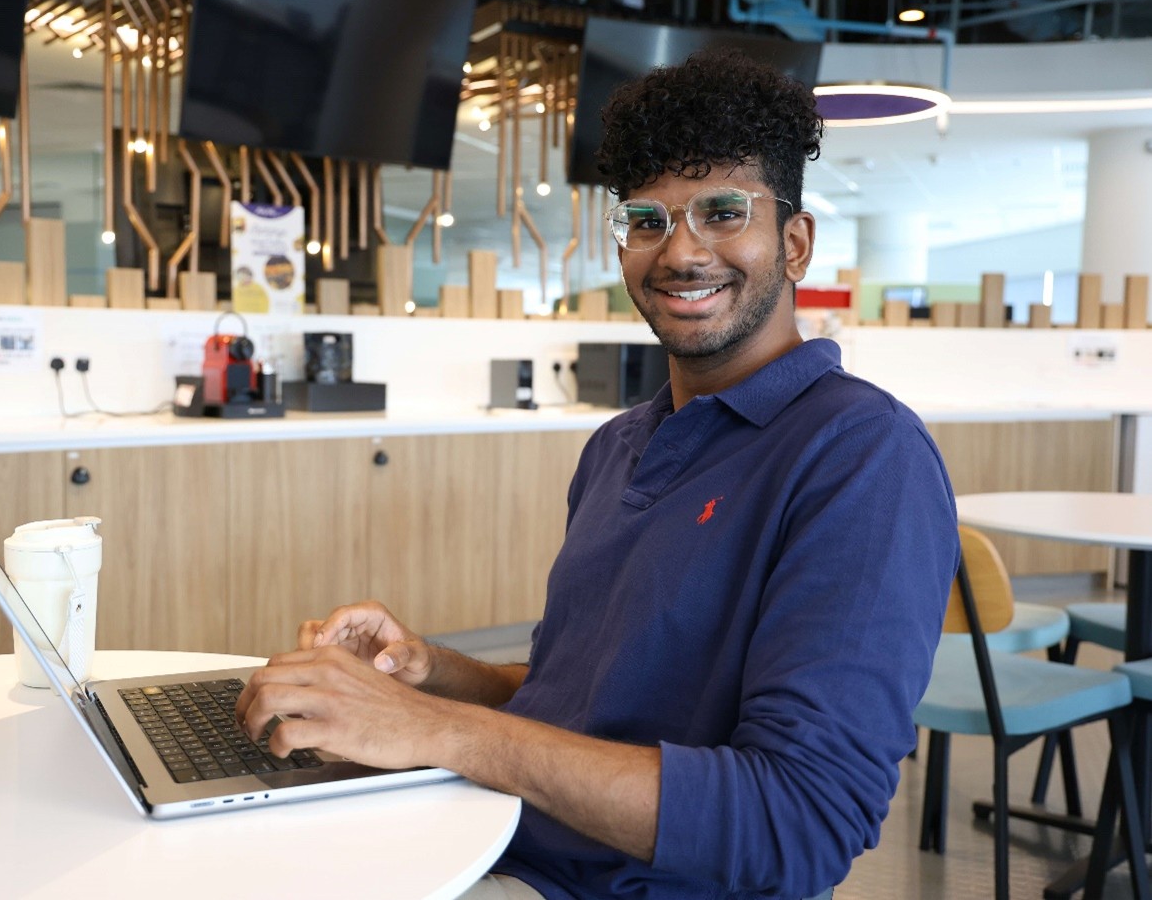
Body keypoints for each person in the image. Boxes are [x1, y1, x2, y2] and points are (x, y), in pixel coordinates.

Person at [236, 50, 959, 900]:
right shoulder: (619, 444)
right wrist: (429, 673)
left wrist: (437, 729)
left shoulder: (861, 455)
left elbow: (798, 822)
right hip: (487, 839)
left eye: (722, 212)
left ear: (793, 243)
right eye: (646, 219)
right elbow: (578, 697)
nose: (680, 251)